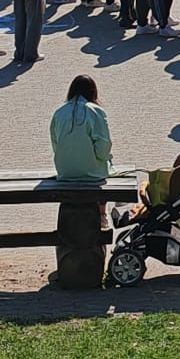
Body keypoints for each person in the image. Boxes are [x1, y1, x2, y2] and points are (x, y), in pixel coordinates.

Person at [48, 74, 113, 290]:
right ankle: (101, 214)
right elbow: (103, 148)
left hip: (65, 172)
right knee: (103, 174)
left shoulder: (59, 112)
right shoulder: (96, 112)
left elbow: (55, 143)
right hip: (91, 173)